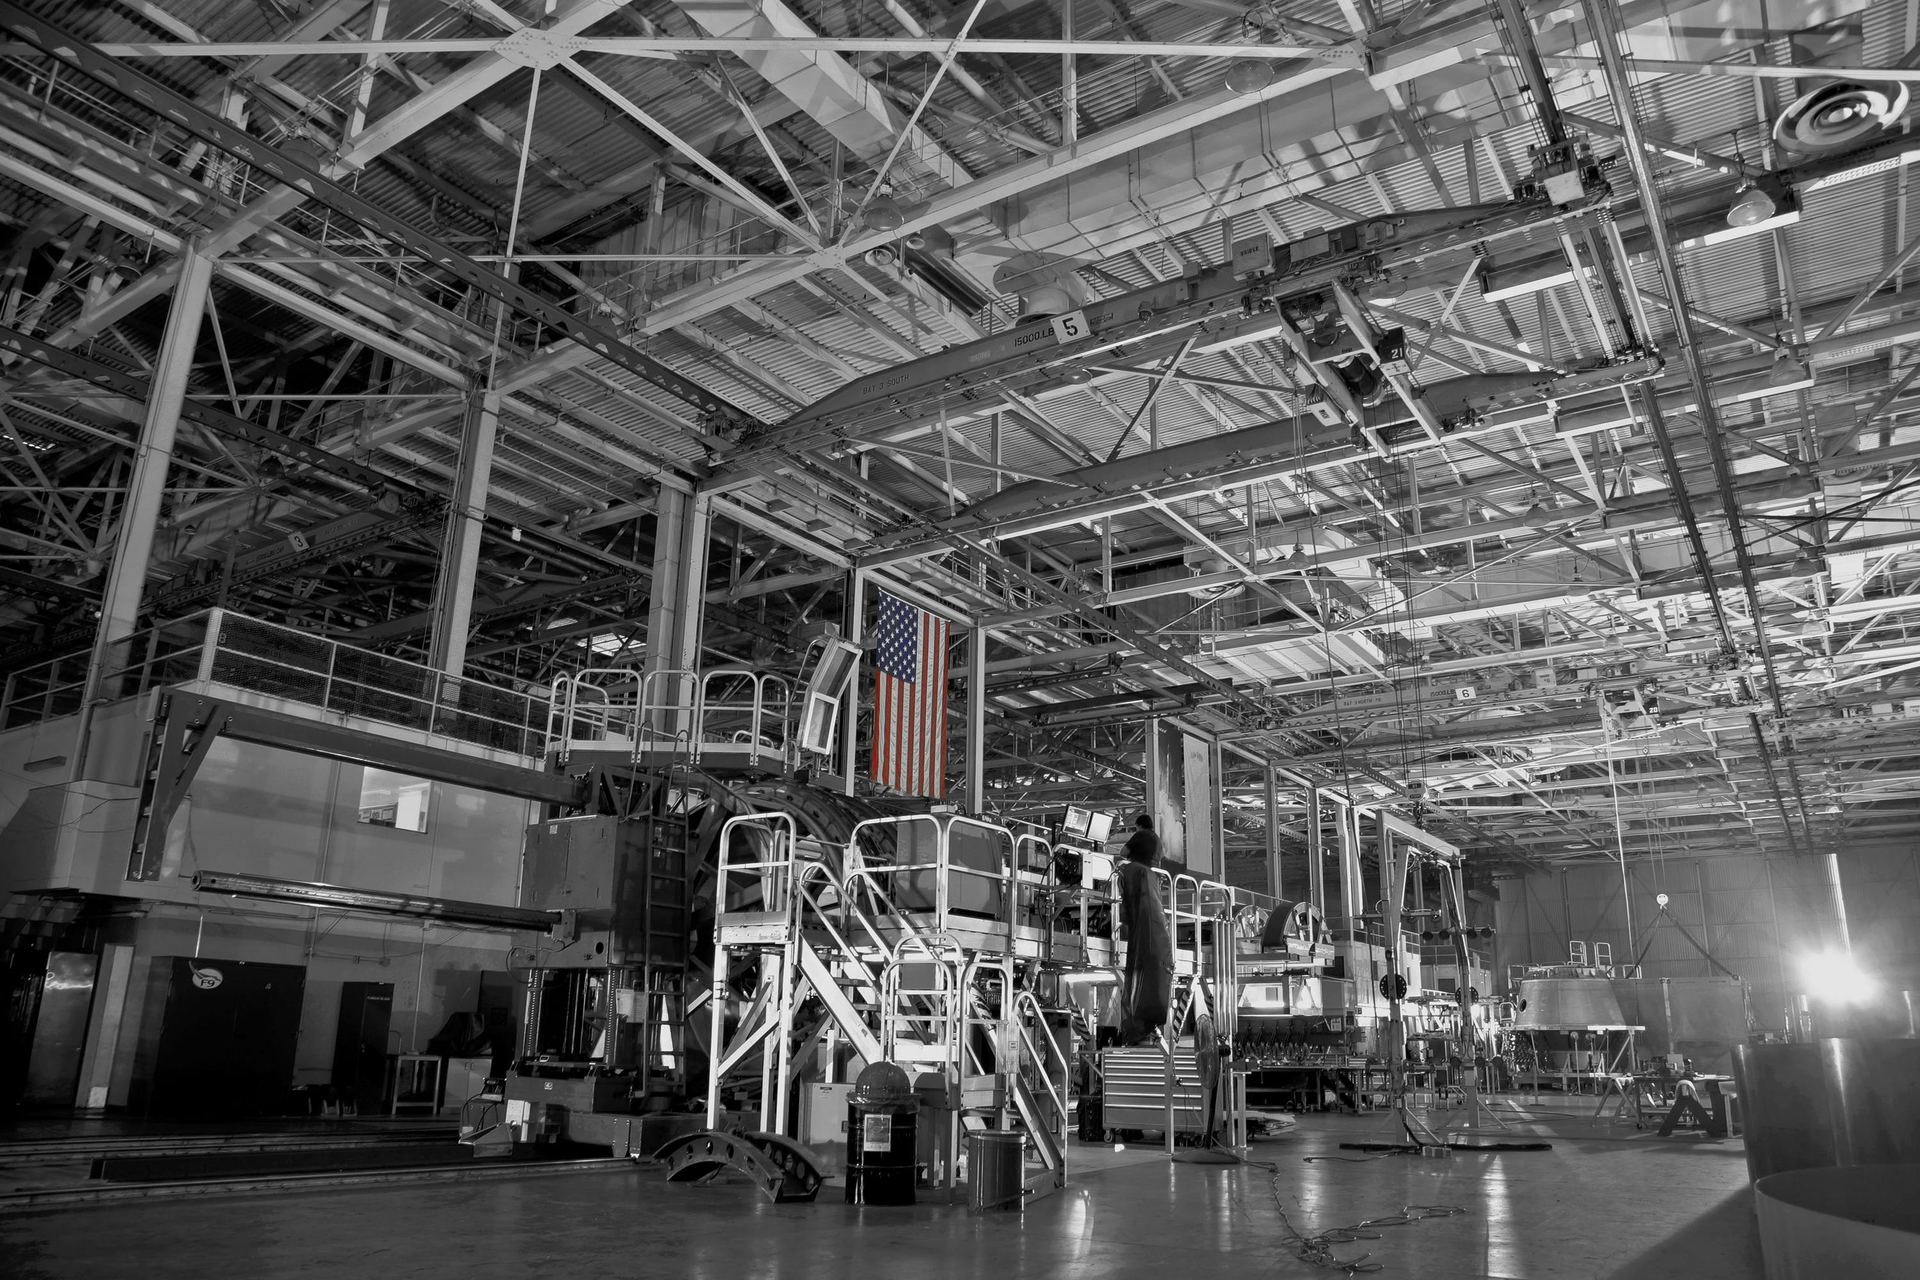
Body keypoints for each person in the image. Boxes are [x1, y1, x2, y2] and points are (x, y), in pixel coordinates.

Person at [1116, 814, 1173, 1046]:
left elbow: (1122, 854)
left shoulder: (1139, 836)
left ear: (1138, 825)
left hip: (1138, 882)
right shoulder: (1158, 841)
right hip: (1153, 887)